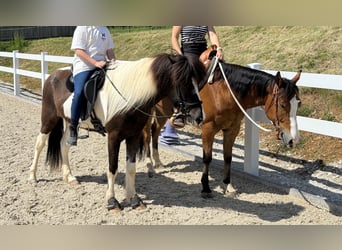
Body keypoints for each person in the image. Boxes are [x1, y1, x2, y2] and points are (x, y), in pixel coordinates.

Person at [161, 26, 223, 144]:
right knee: (186, 78)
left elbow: (212, 35)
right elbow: (174, 37)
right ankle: (177, 114)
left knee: (217, 68)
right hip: (188, 51)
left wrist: (219, 49)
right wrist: (180, 55)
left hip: (203, 51)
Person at [68, 26, 116, 146]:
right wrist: (95, 63)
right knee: (79, 92)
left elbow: (109, 50)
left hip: (103, 64)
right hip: (85, 66)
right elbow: (78, 51)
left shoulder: (104, 29)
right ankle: (73, 127)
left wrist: (114, 62)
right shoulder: (82, 28)